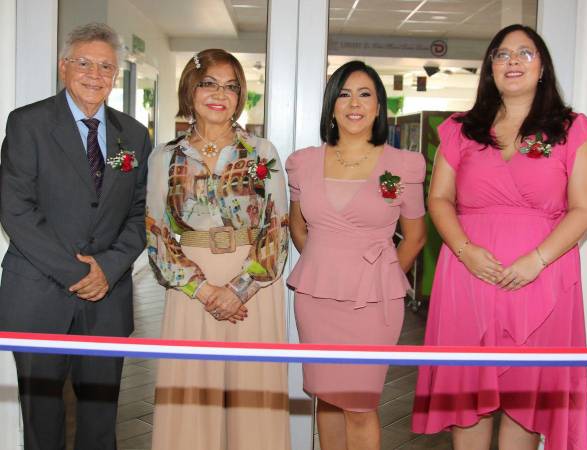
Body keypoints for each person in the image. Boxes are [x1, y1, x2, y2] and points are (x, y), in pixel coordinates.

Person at [412, 24, 587, 450]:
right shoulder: (460, 129)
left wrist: (536, 259)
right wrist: (464, 250)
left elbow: (584, 210)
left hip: (541, 280)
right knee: (468, 400)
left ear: (543, 69)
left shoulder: (574, 130)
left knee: (526, 403)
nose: (512, 61)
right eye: (501, 54)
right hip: (468, 278)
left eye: (524, 53)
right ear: (489, 69)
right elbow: (439, 198)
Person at [0, 23, 151, 450]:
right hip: (39, 296)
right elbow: (16, 209)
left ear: (116, 73)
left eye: (106, 66)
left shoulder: (134, 135)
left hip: (107, 298)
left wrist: (107, 268)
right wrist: (76, 271)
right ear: (64, 66)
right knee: (42, 420)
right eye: (84, 62)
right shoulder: (27, 123)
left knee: (102, 418)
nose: (94, 74)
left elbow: (140, 214)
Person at [146, 49, 290, 450]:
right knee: (190, 397)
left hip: (255, 287)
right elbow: (156, 233)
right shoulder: (165, 157)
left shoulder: (262, 153)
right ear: (191, 89)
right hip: (191, 288)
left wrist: (238, 289)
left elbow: (276, 230)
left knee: (255, 398)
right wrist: (206, 290)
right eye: (209, 83)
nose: (219, 94)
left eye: (230, 86)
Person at [286, 60, 427, 450]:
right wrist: (327, 264)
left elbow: (414, 237)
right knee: (327, 400)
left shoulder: (404, 165)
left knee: (361, 407)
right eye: (344, 94)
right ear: (331, 105)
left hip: (373, 303)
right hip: (317, 299)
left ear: (379, 106)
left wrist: (378, 277)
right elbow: (297, 227)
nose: (354, 103)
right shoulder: (303, 163)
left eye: (365, 94)